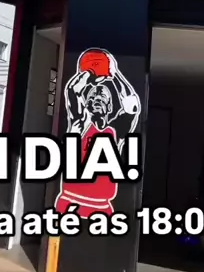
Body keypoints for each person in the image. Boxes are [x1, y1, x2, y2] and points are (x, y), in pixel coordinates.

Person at [55, 49, 140, 218]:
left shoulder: (115, 131)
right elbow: (72, 90)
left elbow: (132, 106)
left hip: (101, 207)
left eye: (102, 96)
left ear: (110, 107)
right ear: (86, 104)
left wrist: (114, 74)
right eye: (92, 96)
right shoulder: (80, 123)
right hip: (70, 204)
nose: (97, 98)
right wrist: (88, 73)